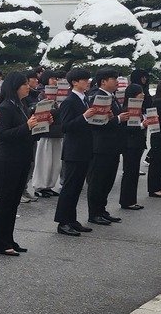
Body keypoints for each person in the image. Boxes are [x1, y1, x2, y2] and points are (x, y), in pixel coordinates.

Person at [0, 72, 46, 255]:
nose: (28, 87)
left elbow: (26, 134)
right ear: (14, 87)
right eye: (24, 84)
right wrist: (27, 126)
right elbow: (2, 135)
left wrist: (41, 126)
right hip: (7, 159)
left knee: (13, 202)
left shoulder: (21, 105)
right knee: (5, 202)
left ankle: (8, 239)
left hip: (21, 157)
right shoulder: (6, 107)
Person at [53, 68, 105, 237]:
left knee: (77, 188)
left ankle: (72, 219)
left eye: (88, 79)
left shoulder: (85, 99)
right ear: (74, 82)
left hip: (84, 148)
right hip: (73, 150)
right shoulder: (69, 101)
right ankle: (63, 222)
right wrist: (84, 116)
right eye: (84, 79)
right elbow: (65, 126)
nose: (87, 82)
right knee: (69, 187)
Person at [85, 69, 124, 226]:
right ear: (103, 82)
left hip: (112, 145)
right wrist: (118, 119)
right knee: (98, 181)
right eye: (113, 79)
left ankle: (102, 210)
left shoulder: (112, 96)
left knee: (108, 180)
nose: (116, 82)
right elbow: (98, 123)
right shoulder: (98, 97)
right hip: (100, 145)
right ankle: (94, 213)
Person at [118, 68, 151, 211]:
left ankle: (131, 200)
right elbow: (128, 128)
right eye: (139, 93)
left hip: (137, 144)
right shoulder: (128, 109)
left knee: (133, 173)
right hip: (130, 145)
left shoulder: (139, 108)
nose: (142, 95)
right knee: (130, 173)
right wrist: (142, 126)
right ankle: (127, 201)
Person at [30, 70, 64, 198]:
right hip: (46, 132)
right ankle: (40, 186)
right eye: (52, 78)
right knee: (44, 161)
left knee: (55, 162)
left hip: (58, 132)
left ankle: (49, 185)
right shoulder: (41, 94)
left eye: (56, 79)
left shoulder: (61, 95)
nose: (55, 81)